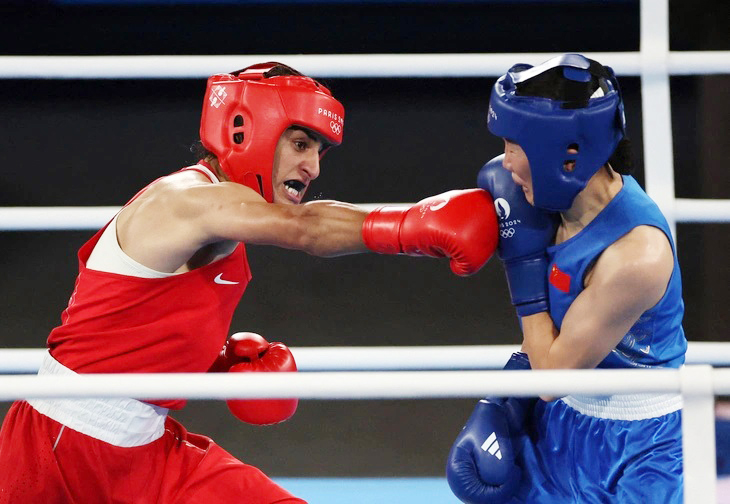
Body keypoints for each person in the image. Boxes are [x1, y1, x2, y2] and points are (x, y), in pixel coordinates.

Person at [0, 62, 500, 504]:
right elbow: (306, 229)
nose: (313, 166)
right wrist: (413, 225)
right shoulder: (187, 200)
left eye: (320, 151)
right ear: (244, 129)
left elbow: (131, 321)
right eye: (301, 144)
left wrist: (217, 363)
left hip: (146, 448)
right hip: (62, 443)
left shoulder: (225, 218)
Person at [446, 53, 687, 503]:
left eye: (515, 147)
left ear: (564, 155)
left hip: (638, 448)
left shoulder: (635, 256)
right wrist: (503, 401)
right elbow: (551, 351)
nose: (506, 164)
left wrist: (522, 266)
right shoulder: (553, 201)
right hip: (561, 420)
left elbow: (553, 376)